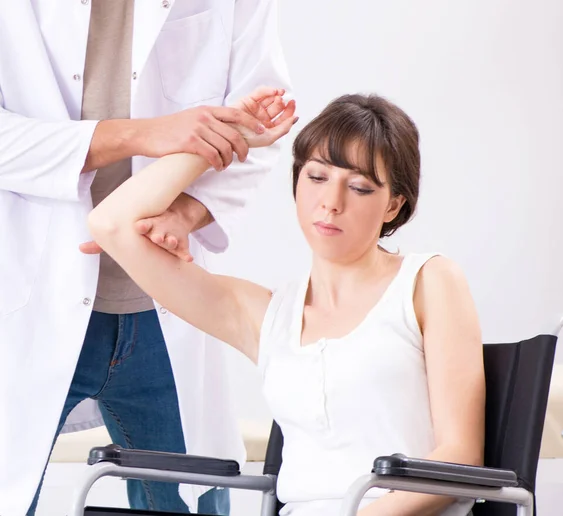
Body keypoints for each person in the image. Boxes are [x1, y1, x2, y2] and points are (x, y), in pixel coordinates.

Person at [87, 90, 485, 516]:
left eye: (359, 187)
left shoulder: (428, 282)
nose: (331, 203)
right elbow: (109, 225)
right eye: (316, 177)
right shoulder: (267, 315)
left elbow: (460, 457)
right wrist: (228, 135)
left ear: (393, 205)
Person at [0, 0, 291, 514]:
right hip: (31, 297)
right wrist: (143, 132)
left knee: (196, 499)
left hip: (166, 301)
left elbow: (258, 132)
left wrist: (184, 213)